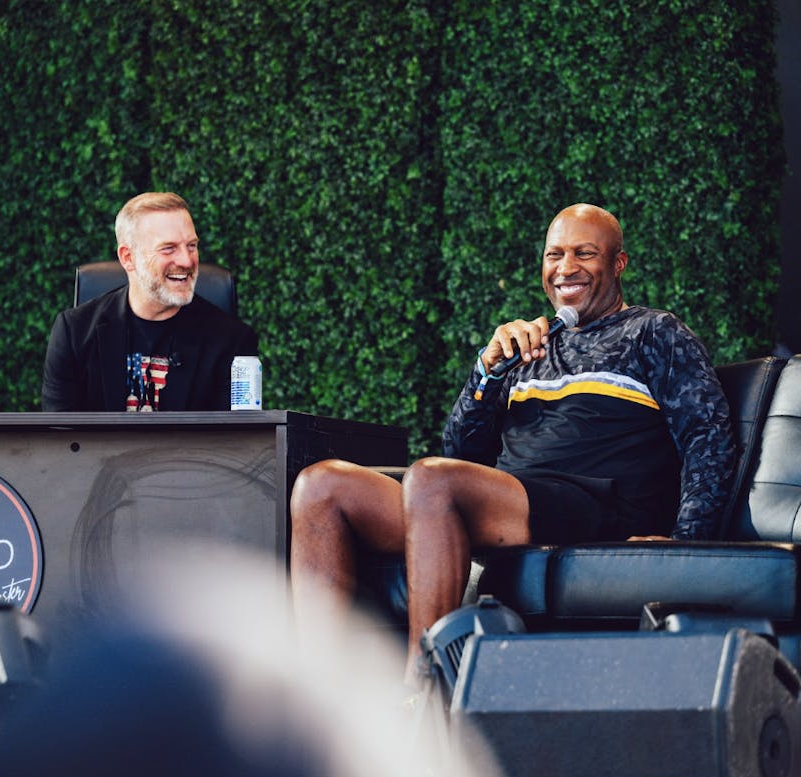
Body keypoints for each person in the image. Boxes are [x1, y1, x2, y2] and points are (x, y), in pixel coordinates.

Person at [289, 203, 735, 684]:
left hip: (597, 502)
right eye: (554, 255)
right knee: (322, 485)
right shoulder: (528, 345)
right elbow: (461, 453)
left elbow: (707, 432)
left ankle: (423, 687)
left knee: (432, 480)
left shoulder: (653, 331)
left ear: (618, 263)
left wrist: (686, 544)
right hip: (508, 501)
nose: (566, 268)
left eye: (585, 253)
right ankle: (316, 697)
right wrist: (487, 371)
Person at [42, 192, 258, 412]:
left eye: (192, 246)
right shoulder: (74, 332)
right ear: (128, 258)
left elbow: (233, 433)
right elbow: (60, 430)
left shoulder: (232, 341)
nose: (186, 260)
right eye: (168, 248)